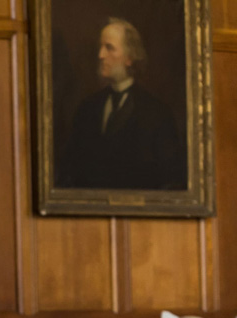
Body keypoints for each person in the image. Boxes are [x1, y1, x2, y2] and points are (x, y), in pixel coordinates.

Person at [58, 17, 184, 190]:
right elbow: (69, 171)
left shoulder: (156, 113)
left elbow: (170, 180)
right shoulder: (87, 108)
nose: (101, 55)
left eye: (109, 48)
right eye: (101, 48)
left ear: (129, 58)